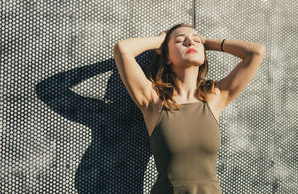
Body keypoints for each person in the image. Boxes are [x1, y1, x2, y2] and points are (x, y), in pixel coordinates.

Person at [113, 23, 265, 193]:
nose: (190, 43)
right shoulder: (153, 100)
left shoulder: (216, 97)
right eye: (180, 41)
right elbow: (122, 49)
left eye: (195, 40)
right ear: (167, 56)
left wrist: (207, 42)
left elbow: (256, 52)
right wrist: (161, 40)